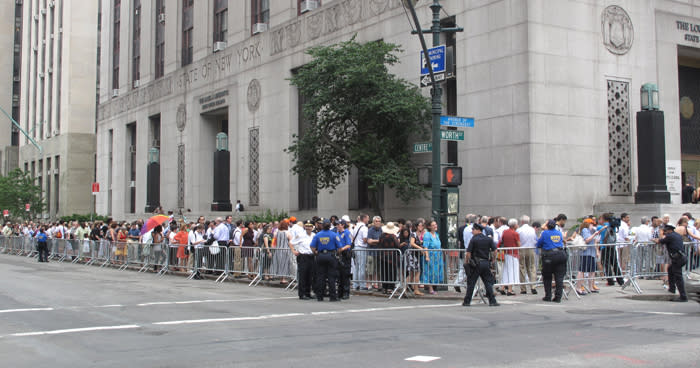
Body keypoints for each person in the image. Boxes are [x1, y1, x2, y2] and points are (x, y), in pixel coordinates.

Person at [462, 223, 499, 307]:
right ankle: (492, 301)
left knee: (471, 282)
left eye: (473, 230)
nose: (472, 231)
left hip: (476, 264)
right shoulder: (488, 239)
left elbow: (468, 253)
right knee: (488, 282)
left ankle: (467, 301)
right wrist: (493, 259)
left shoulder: (473, 239)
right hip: (485, 263)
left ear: (477, 230)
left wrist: (467, 261)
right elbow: (495, 250)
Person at [310, 219, 342, 302]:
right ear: (330, 226)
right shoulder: (334, 235)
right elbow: (340, 248)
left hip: (320, 256)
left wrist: (316, 252)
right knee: (332, 277)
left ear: (323, 226)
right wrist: (337, 254)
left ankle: (320, 296)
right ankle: (333, 297)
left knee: (320, 277)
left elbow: (312, 247)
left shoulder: (318, 235)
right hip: (331, 256)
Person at [536, 220, 567, 303]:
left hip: (549, 256)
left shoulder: (545, 233)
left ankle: (548, 296)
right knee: (559, 278)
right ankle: (558, 297)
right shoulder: (559, 233)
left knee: (547, 277)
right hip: (561, 254)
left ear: (547, 226)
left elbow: (538, 244)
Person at [655, 224, 688, 302]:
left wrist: (655, 239)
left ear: (669, 230)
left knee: (678, 277)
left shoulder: (670, 236)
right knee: (670, 269)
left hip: (678, 259)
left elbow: (659, 241)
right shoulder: (677, 235)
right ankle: (672, 288)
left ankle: (683, 296)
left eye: (665, 231)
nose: (665, 232)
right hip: (681, 257)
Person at [576, 218, 602, 294]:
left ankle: (591, 287)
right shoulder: (585, 230)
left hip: (592, 252)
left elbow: (594, 241)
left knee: (592, 270)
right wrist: (594, 234)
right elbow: (587, 240)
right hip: (586, 253)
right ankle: (578, 287)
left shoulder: (591, 231)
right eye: (591, 224)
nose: (592, 225)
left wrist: (597, 251)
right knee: (582, 270)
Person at [421, 220, 444, 294]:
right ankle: (430, 288)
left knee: (436, 272)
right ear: (429, 227)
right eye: (433, 225)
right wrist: (427, 256)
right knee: (429, 272)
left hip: (437, 256)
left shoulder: (436, 234)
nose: (435, 226)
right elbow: (425, 246)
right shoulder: (427, 234)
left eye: (435, 224)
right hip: (431, 256)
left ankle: (434, 287)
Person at [516, 215, 538, 295]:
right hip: (531, 248)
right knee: (532, 267)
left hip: (522, 249)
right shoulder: (532, 230)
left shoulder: (519, 230)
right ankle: (533, 286)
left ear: (521, 221)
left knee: (522, 267)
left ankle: (523, 288)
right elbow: (535, 239)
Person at [498, 218, 520, 296]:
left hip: (506, 253)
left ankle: (502, 287)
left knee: (506, 270)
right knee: (512, 271)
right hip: (513, 254)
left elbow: (501, 241)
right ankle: (510, 290)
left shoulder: (505, 232)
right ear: (514, 225)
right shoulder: (515, 233)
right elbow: (518, 244)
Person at [378, 222, 400, 294]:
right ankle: (390, 288)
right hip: (392, 257)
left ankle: (384, 287)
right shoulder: (393, 237)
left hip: (382, 256)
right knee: (391, 272)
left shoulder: (381, 236)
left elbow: (379, 244)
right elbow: (397, 245)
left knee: (384, 272)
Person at [335, 219, 353, 299]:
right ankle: (340, 292)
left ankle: (346, 292)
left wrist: (341, 249)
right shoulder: (336, 233)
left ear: (342, 225)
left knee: (345, 274)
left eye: (339, 225)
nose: (337, 226)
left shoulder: (346, 233)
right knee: (339, 274)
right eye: (337, 225)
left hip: (345, 254)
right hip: (338, 254)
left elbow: (349, 245)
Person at [271, 219, 292, 284]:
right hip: (285, 250)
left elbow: (274, 241)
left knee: (279, 263)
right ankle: (283, 279)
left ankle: (280, 277)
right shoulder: (287, 232)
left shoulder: (276, 232)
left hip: (278, 249)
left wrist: (273, 247)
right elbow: (291, 241)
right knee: (285, 264)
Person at [408, 220, 426, 295]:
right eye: (419, 225)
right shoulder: (413, 234)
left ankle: (406, 288)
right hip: (413, 255)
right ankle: (416, 289)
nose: (421, 227)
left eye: (422, 225)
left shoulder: (420, 235)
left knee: (412, 273)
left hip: (416, 255)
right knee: (417, 272)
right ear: (416, 226)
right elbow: (412, 243)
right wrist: (420, 248)